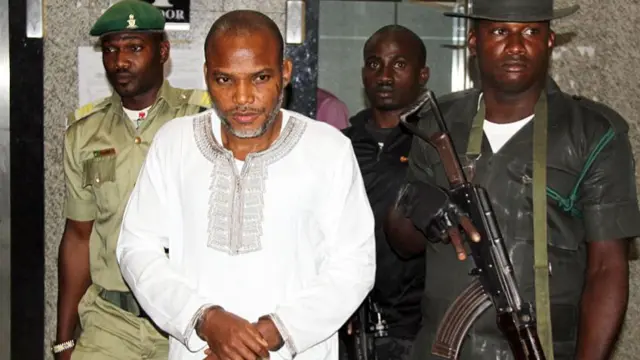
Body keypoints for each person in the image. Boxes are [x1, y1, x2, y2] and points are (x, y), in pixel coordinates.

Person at [384, 0, 640, 359]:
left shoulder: (593, 134)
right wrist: (414, 205)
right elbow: (403, 243)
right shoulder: (438, 124)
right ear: (473, 42)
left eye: (531, 31)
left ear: (550, 40)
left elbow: (607, 268)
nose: (517, 46)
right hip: (442, 350)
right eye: (501, 31)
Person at [115, 9, 376, 360]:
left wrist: (273, 333)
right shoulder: (174, 144)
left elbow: (354, 264)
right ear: (207, 76)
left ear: (285, 73)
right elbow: (136, 247)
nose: (242, 98)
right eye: (225, 80)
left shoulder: (328, 150)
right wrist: (205, 320)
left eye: (260, 78)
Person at [54, 1, 211, 359]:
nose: (120, 61)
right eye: (111, 50)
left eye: (134, 48)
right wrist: (64, 337)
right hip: (111, 320)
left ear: (163, 52)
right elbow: (78, 236)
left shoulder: (200, 122)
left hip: (185, 320)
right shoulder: (84, 134)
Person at [341, 24, 429, 360]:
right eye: (375, 64)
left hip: (416, 329)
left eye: (399, 65)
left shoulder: (436, 146)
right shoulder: (339, 145)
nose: (385, 75)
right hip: (346, 323)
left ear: (423, 74)